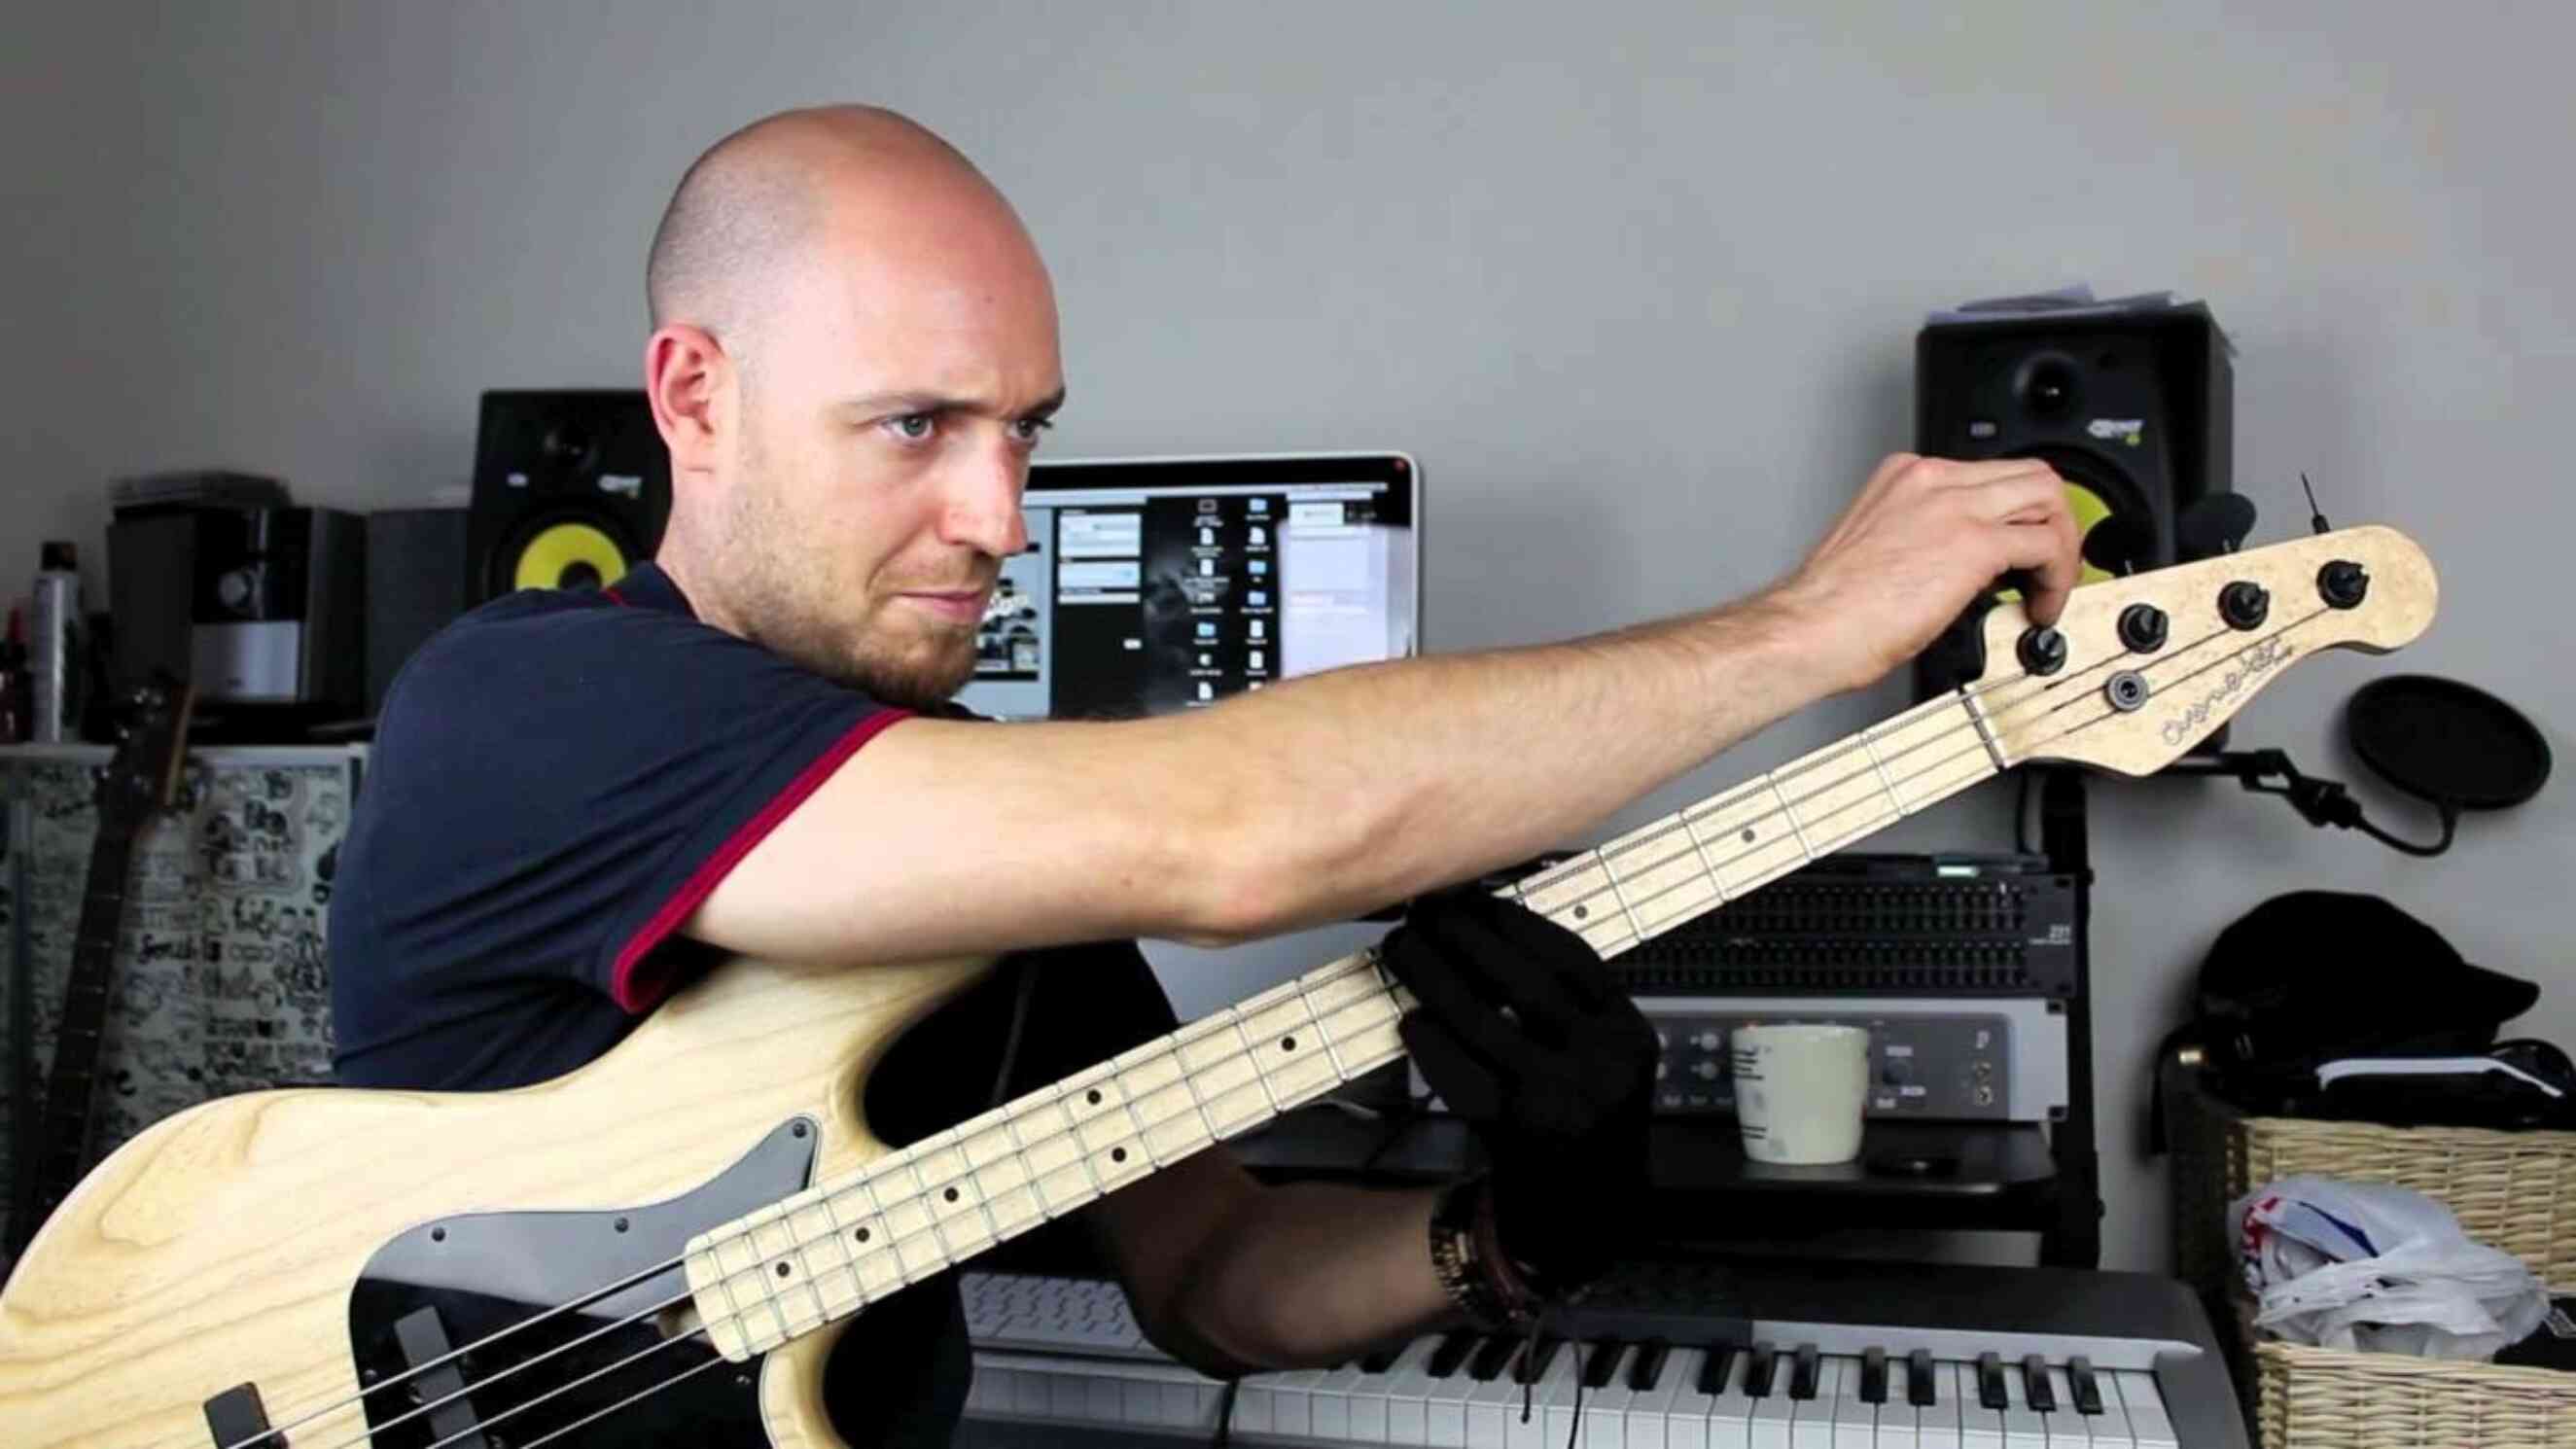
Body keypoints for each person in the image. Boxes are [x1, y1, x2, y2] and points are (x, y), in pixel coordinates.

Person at [330, 104, 2080, 1445]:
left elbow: (1207, 1271)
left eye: (1024, 430)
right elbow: (1234, 834)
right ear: (696, 398)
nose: (999, 518)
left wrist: (1524, 1224)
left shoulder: (964, 829)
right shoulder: (525, 705)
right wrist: (1805, 631)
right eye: (915, 424)